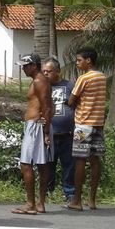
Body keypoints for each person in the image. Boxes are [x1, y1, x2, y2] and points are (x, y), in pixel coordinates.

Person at [66, 46, 107, 211]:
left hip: (83, 125)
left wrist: (74, 101)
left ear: (88, 60)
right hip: (98, 124)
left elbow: (71, 101)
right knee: (95, 161)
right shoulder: (102, 77)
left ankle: (76, 200)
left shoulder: (83, 78)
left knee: (80, 160)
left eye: (79, 60)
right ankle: (92, 200)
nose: (77, 63)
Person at [12, 53, 53, 215]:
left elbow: (47, 107)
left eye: (25, 66)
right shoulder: (40, 80)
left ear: (33, 66)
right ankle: (40, 203)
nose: (23, 69)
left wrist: (46, 131)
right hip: (36, 124)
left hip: (35, 125)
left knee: (26, 164)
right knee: (41, 164)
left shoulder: (39, 81)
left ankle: (31, 203)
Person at [42, 57, 76, 202]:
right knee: (49, 164)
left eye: (48, 71)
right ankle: (48, 191)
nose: (45, 74)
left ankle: (69, 193)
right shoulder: (42, 86)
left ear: (57, 71)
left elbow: (76, 105)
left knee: (69, 165)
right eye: (43, 71)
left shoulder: (69, 86)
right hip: (50, 133)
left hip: (68, 133)